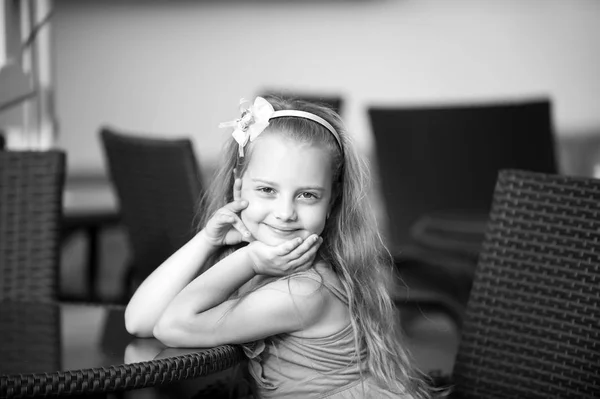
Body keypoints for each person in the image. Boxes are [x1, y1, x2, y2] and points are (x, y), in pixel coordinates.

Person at [125, 96, 434, 398]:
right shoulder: (269, 264)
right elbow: (140, 321)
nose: (285, 212)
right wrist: (207, 239)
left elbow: (171, 326)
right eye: (267, 190)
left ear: (332, 201)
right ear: (238, 187)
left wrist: (248, 260)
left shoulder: (302, 292)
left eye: (307, 195)